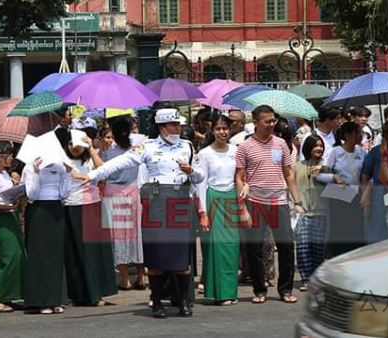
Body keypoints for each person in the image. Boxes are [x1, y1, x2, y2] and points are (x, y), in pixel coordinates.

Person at [82, 108, 203, 318]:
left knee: (182, 260)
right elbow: (119, 163)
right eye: (173, 124)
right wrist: (93, 175)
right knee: (155, 259)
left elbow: (200, 177)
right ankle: (156, 301)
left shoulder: (188, 146)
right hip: (157, 200)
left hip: (180, 201)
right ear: (161, 127)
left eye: (179, 124)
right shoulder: (146, 147)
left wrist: (191, 171)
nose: (178, 128)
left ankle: (183, 301)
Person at [235, 105, 305, 305]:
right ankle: (259, 289)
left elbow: (289, 174)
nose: (272, 124)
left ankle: (285, 289)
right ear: (255, 123)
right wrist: (242, 207)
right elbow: (239, 177)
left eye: (273, 120)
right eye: (267, 121)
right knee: (254, 249)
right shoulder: (245, 147)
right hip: (255, 202)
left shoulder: (281, 144)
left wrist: (297, 201)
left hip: (280, 201)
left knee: (286, 247)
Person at [58, 128, 118, 307]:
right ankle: (78, 294)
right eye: (70, 144)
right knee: (74, 253)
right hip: (70, 206)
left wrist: (91, 148)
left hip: (92, 206)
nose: (74, 148)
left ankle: (96, 293)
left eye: (77, 144)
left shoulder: (91, 160)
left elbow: (104, 170)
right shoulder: (62, 161)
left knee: (94, 252)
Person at [194, 114, 241, 306]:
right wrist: (203, 212)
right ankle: (220, 293)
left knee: (232, 247)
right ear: (211, 130)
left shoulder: (237, 151)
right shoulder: (204, 154)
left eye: (225, 128)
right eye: (218, 128)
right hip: (213, 198)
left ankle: (230, 290)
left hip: (232, 199)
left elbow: (240, 176)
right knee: (217, 247)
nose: (222, 132)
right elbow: (201, 184)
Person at [21, 152, 72, 315]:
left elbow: (64, 194)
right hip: (38, 210)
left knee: (55, 256)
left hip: (56, 210)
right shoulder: (30, 166)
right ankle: (40, 300)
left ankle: (54, 299)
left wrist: (68, 173)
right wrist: (36, 172)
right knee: (39, 255)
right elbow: (32, 194)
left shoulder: (60, 167)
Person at [101, 116, 147, 291]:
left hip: (113, 194)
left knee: (117, 236)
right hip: (133, 192)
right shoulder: (136, 151)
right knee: (137, 235)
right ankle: (142, 277)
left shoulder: (108, 154)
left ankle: (125, 279)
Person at [317, 122, 367, 258]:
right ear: (347, 135)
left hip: (356, 194)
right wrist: (334, 177)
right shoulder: (335, 152)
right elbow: (319, 175)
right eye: (357, 133)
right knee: (340, 229)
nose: (360, 136)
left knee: (356, 229)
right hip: (339, 195)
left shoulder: (362, 152)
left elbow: (367, 175)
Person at [0, 141, 24, 313]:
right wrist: (11, 206)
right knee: (8, 256)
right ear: (0, 157)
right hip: (2, 220)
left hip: (11, 217)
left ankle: (10, 295)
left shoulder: (6, 175)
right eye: (9, 155)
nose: (11, 158)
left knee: (17, 255)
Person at [292, 135, 329, 291]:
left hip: (321, 213)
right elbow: (290, 188)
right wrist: (294, 206)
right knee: (302, 248)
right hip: (302, 213)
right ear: (308, 148)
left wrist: (324, 170)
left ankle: (317, 278)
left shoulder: (327, 166)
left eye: (321, 145)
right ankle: (305, 278)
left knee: (318, 249)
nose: (318, 148)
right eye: (315, 146)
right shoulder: (297, 166)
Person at [360, 121, 388, 244]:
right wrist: (365, 195)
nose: (387, 136)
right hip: (379, 192)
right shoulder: (376, 151)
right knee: (378, 222)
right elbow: (365, 175)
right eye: (385, 133)